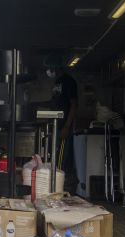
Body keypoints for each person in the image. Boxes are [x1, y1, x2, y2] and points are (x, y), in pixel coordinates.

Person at [45, 54, 78, 192]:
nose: (48, 71)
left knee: (60, 164)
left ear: (56, 68)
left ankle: (58, 192)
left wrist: (66, 127)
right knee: (55, 160)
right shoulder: (57, 83)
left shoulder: (68, 82)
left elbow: (74, 105)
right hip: (56, 126)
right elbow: (55, 102)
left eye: (49, 69)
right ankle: (54, 190)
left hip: (63, 127)